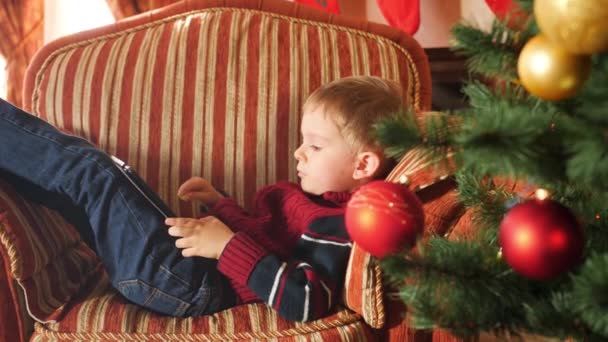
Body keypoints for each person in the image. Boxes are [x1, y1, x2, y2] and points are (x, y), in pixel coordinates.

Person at [0, 75, 403, 321]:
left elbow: (307, 298)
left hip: (192, 286)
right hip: (187, 272)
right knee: (102, 169)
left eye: (314, 146)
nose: (298, 153)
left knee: (94, 173)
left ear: (363, 164)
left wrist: (227, 245)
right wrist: (220, 205)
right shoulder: (308, 202)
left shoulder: (338, 223)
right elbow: (266, 237)